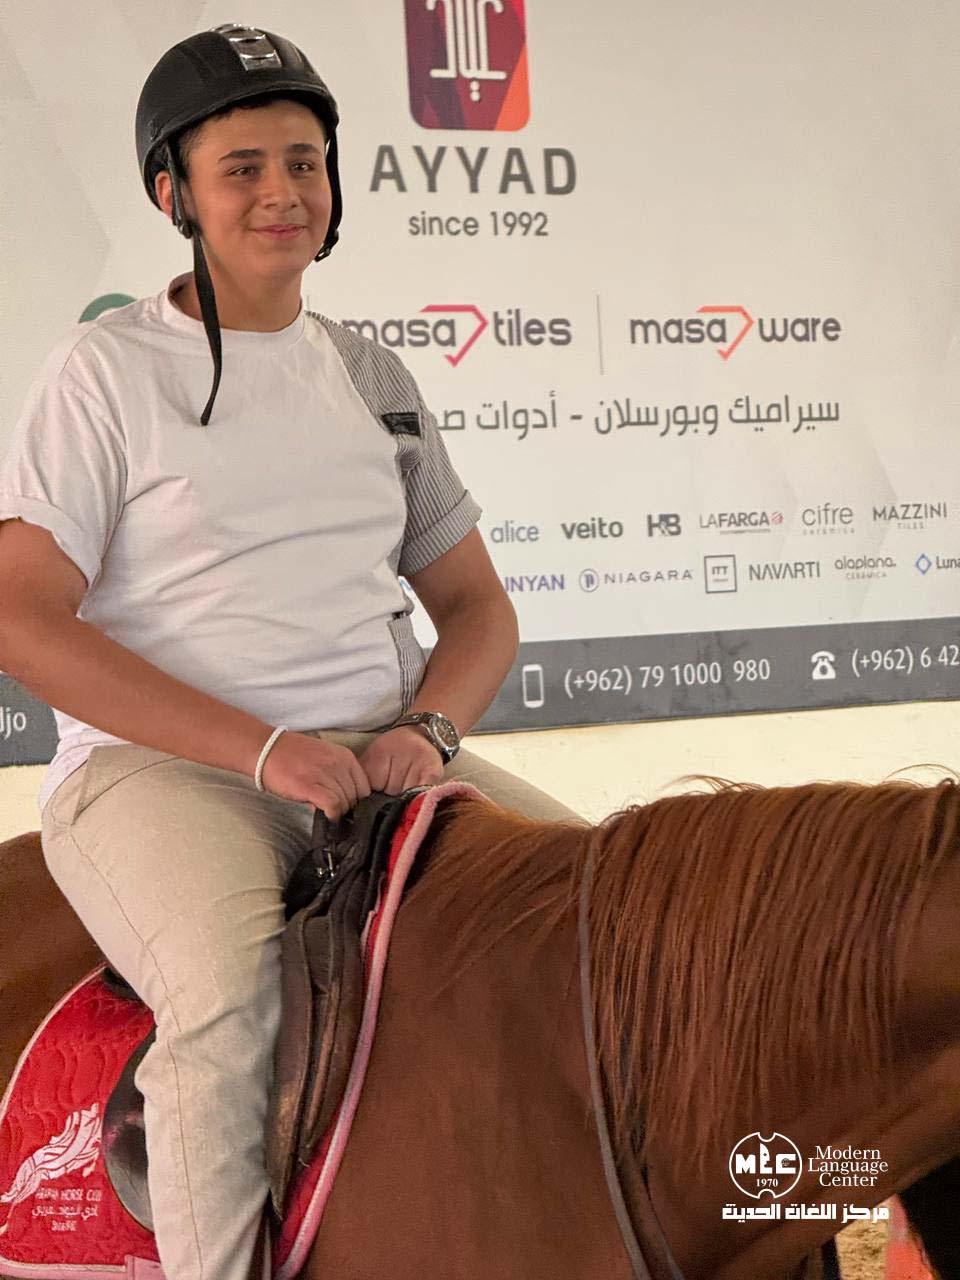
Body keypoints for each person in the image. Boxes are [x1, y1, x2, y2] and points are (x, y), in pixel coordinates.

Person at [0, 23, 579, 1280]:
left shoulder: (373, 374)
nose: (283, 193)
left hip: (377, 762)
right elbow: (23, 618)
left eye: (305, 162)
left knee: (603, 912)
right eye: (244, 167)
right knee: (227, 996)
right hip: (159, 777)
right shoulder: (102, 373)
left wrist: (424, 731)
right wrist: (265, 750)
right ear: (174, 193)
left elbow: (478, 610)